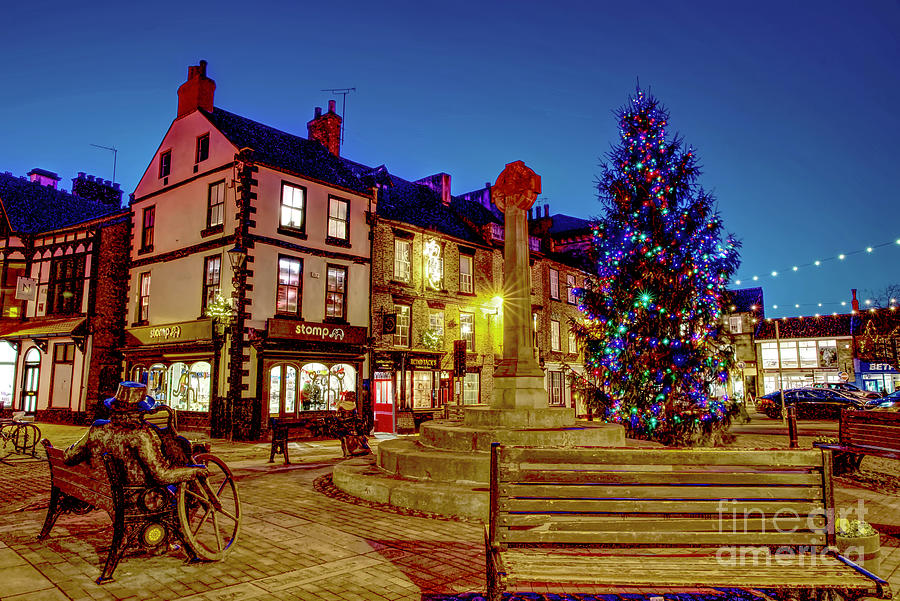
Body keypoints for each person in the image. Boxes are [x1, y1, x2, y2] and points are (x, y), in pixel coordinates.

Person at [64, 381, 207, 487]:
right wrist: (194, 471)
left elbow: (69, 457)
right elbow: (162, 476)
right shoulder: (140, 435)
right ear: (140, 410)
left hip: (103, 489)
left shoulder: (97, 428)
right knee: (185, 488)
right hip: (136, 496)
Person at [332, 391, 371, 458]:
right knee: (357, 436)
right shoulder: (351, 405)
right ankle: (354, 450)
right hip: (349, 425)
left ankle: (349, 452)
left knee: (348, 438)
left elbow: (338, 416)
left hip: (347, 425)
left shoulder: (343, 405)